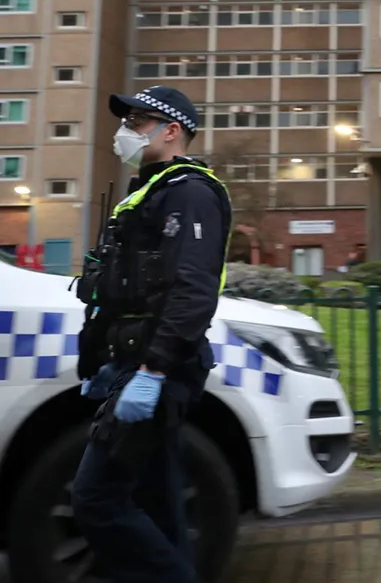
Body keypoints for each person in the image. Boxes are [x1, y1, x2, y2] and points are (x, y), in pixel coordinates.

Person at [70, 85, 232, 583]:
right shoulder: (153, 191)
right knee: (158, 505)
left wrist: (151, 370)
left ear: (171, 131)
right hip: (134, 365)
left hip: (155, 369)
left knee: (95, 497)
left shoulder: (189, 192)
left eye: (137, 122)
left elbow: (191, 292)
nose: (125, 132)